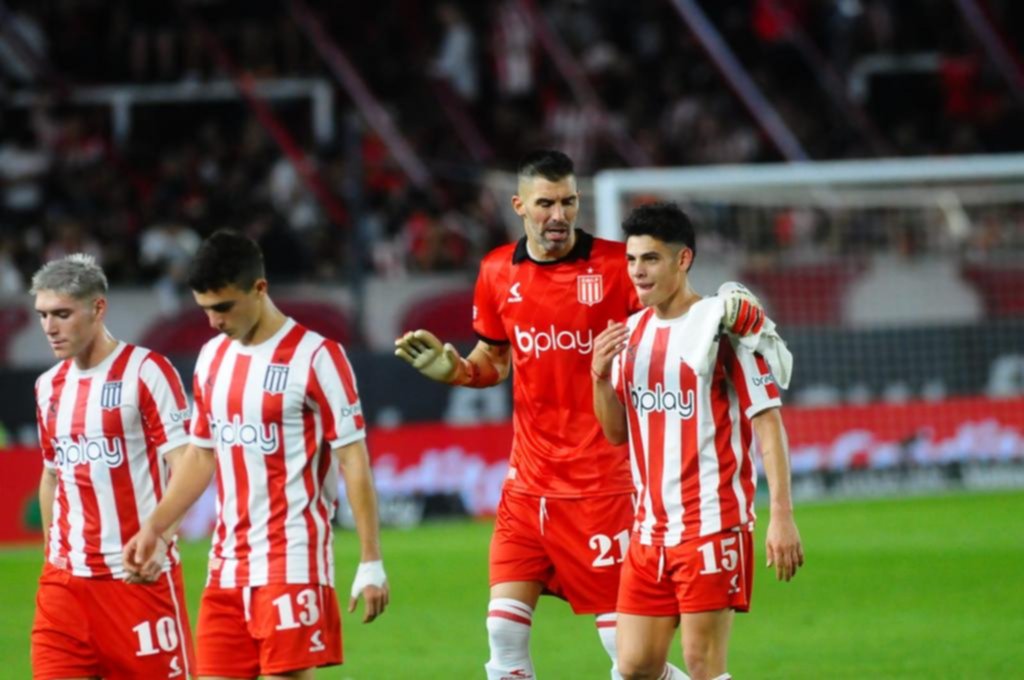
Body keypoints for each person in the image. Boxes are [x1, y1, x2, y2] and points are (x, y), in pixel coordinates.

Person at [395, 150, 762, 679]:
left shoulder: (620, 266)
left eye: (568, 202)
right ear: (520, 205)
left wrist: (728, 315)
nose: (558, 215)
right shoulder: (497, 271)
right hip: (527, 486)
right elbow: (494, 361)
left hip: (602, 486)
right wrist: (452, 368)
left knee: (630, 656)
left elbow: (677, 322)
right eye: (545, 204)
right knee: (502, 632)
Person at [123, 230, 389, 679]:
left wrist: (371, 559)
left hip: (294, 563)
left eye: (224, 307)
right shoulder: (211, 358)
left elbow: (353, 460)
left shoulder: (318, 357)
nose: (213, 322)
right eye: (205, 309)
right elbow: (201, 456)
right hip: (225, 566)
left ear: (259, 289)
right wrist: (156, 525)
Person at [591, 202, 805, 680]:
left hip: (712, 525)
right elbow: (615, 433)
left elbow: (768, 422)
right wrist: (599, 378)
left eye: (650, 259)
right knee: (633, 666)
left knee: (703, 663)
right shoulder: (631, 335)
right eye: (631, 260)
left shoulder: (721, 330)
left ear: (682, 259)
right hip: (649, 532)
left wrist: (782, 518)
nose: (637, 272)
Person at [29, 253, 196, 679]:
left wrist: (159, 535)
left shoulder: (146, 372)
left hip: (135, 582)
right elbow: (52, 475)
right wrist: (54, 554)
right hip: (64, 590)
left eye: (62, 314)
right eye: (44, 315)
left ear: (98, 308)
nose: (50, 327)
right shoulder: (48, 387)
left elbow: (189, 462)